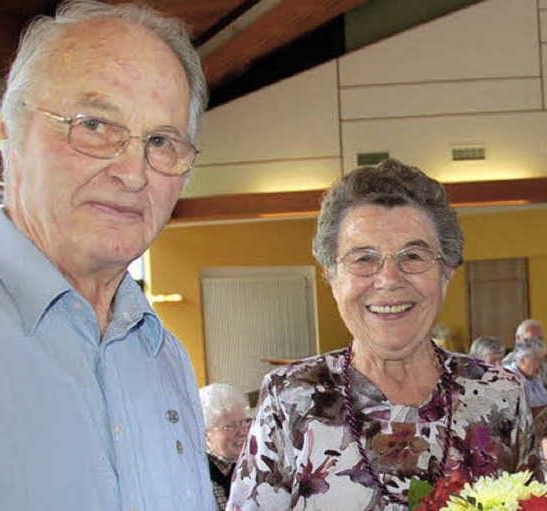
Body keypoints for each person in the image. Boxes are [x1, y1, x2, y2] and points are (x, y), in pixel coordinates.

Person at [0, 1, 216, 510]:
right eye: (94, 125)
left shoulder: (164, 357)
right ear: (12, 134)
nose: (133, 172)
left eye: (161, 140)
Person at [227, 159, 542, 511]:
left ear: (447, 271)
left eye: (413, 255)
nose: (390, 279)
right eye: (363, 259)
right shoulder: (290, 401)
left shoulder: (499, 396)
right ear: (331, 277)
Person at [200, 384, 251, 511]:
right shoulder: (204, 475)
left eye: (245, 422)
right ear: (206, 435)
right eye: (229, 426)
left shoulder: (255, 459)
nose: (243, 431)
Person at [508, 338, 547, 415]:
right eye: (537, 360)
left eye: (542, 360)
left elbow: (544, 399)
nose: (541, 365)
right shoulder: (510, 379)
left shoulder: (533, 375)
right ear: (523, 360)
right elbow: (524, 414)